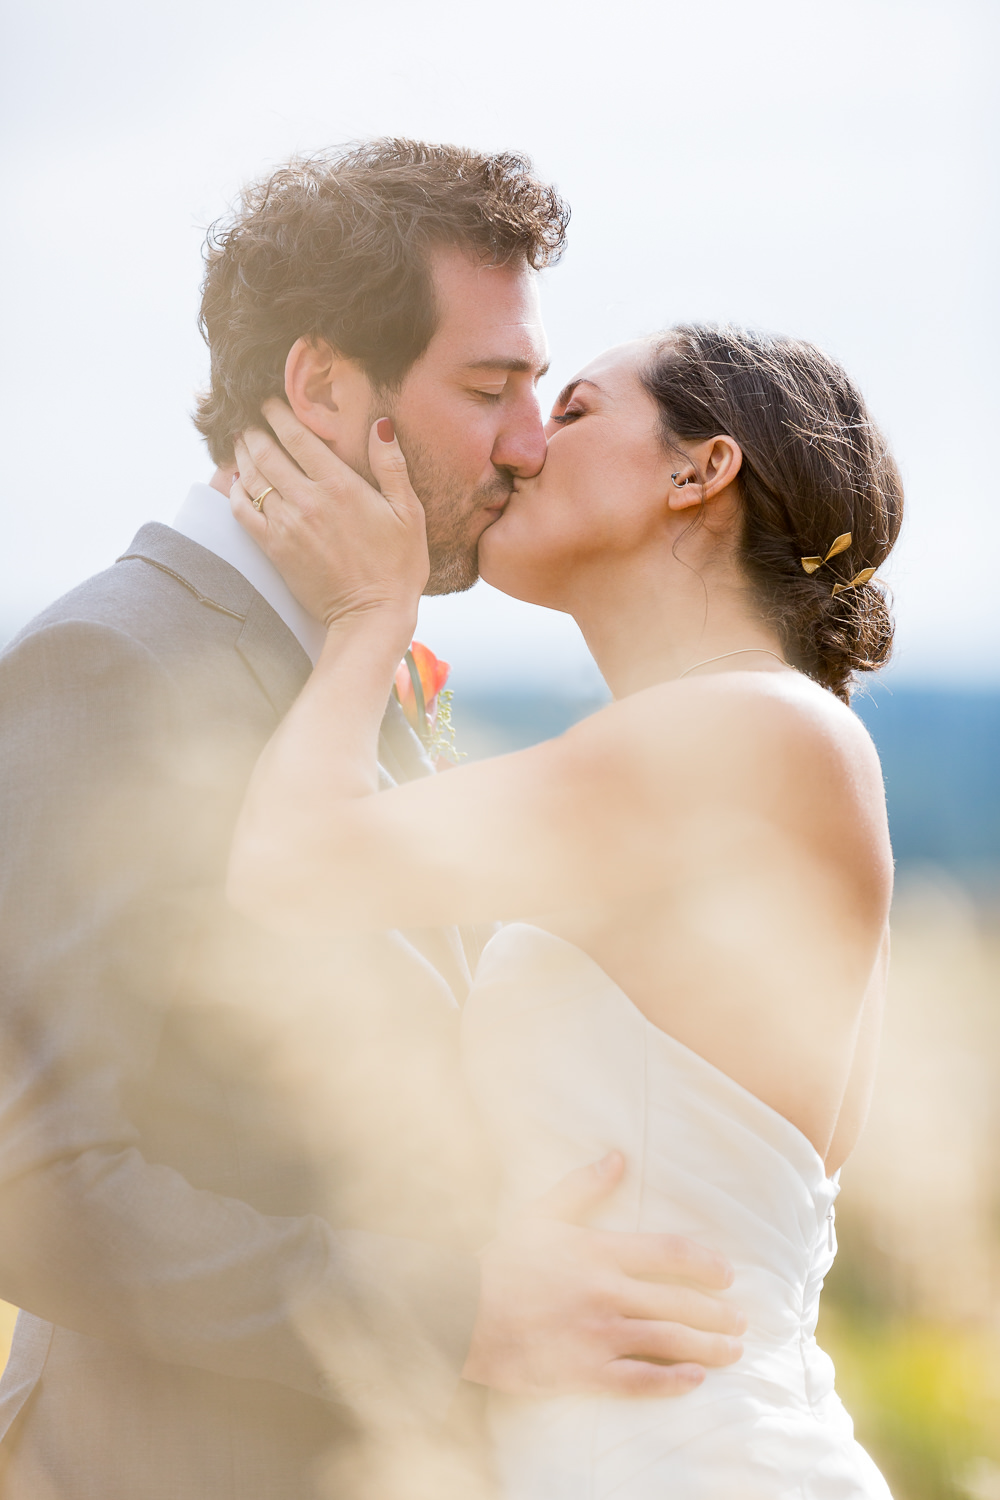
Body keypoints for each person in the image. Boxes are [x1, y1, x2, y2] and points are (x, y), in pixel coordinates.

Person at [0, 143, 742, 1500]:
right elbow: (32, 1176)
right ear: (326, 386)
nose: (528, 442)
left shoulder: (364, 655)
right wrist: (451, 1307)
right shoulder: (110, 665)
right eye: (487, 389)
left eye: (535, 388)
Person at [225, 321, 903, 1497]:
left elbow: (291, 866)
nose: (524, 446)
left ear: (700, 471)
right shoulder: (719, 739)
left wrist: (366, 618)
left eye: (575, 411)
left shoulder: (753, 731)